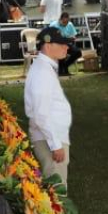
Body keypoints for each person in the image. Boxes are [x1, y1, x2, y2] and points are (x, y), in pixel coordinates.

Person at [24, 27, 74, 187]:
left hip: (50, 135)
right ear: (47, 45)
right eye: (61, 44)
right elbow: (41, 114)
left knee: (56, 185)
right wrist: (55, 145)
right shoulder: (42, 72)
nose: (66, 47)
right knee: (56, 188)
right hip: (49, 138)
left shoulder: (44, 68)